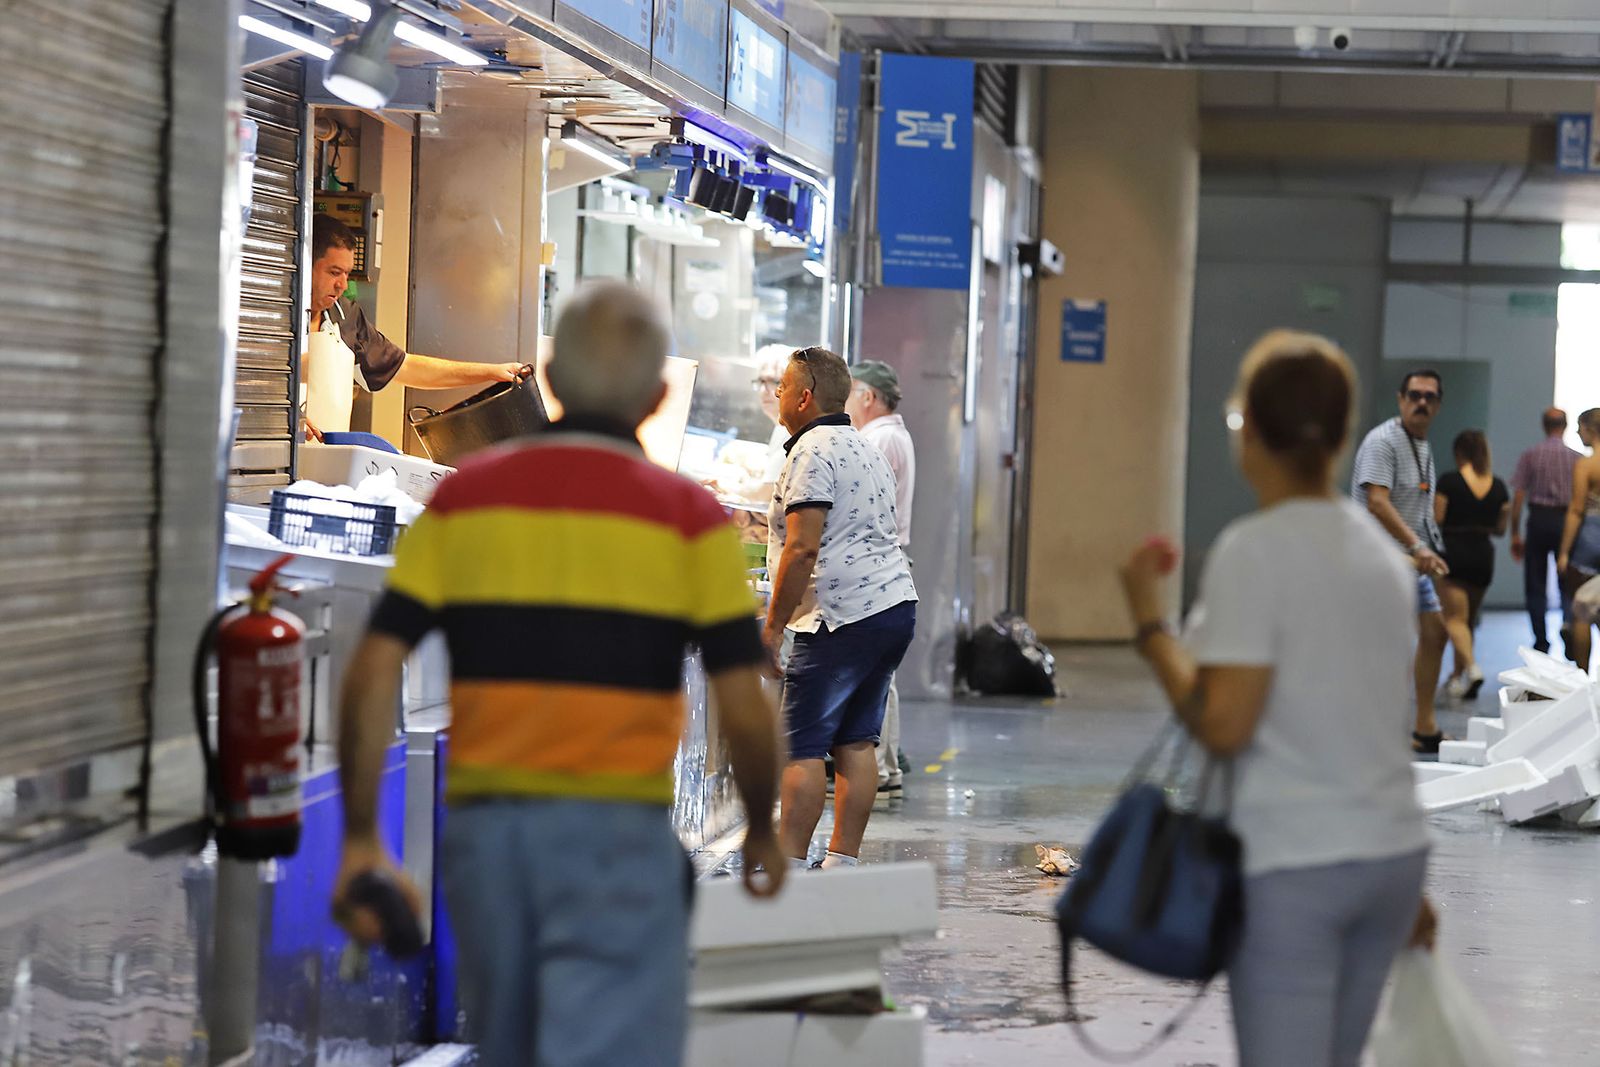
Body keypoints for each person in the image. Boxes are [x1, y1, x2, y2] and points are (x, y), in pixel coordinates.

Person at [331, 281, 786, 1066]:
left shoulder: (464, 499)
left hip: (489, 838)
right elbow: (743, 702)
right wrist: (763, 830)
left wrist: (365, 836)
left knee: (511, 1042)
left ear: (551, 383)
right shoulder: (687, 519)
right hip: (618, 837)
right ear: (654, 395)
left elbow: (373, 672)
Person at [1119, 330, 1434, 1067]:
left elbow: (1222, 722)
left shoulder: (1254, 551)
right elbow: (1380, 722)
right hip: (1389, 856)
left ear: (1249, 428)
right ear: (1342, 433)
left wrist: (1146, 622)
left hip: (1297, 864)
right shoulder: (1382, 561)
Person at [766, 346, 918, 869]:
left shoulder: (811, 451)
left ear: (804, 397)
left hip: (840, 616)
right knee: (857, 738)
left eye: (783, 388)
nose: (778, 396)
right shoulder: (863, 446)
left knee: (801, 743)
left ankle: (786, 864)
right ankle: (842, 861)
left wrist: (771, 628)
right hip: (892, 606)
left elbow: (803, 547)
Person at [305, 214, 522, 437]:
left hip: (326, 457)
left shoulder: (346, 316)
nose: (342, 285)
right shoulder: (275, 314)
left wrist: (491, 372)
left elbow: (406, 367)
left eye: (346, 274)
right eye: (333, 272)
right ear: (306, 264)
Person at [1351, 369, 1451, 754]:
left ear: (1438, 404)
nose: (1421, 402)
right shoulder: (1383, 442)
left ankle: (1424, 728)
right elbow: (1377, 501)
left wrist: (1427, 548)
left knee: (1435, 632)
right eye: (1414, 395)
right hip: (1377, 558)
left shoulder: (1420, 444)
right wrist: (1417, 546)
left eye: (1429, 397)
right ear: (1400, 399)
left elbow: (1419, 505)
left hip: (1408, 559)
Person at [846, 360, 916, 805]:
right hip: (886, 563)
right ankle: (885, 765)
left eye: (851, 393)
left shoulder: (881, 439)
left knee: (877, 677)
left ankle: (884, 767)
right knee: (880, 677)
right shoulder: (893, 435)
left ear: (868, 396)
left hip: (878, 565)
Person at [1435, 429, 1509, 703]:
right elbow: (1501, 528)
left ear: (1458, 453)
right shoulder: (1499, 486)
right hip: (1483, 556)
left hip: (1454, 552)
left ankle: (1473, 668)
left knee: (1453, 619)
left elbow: (1437, 518)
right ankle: (1457, 676)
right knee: (1466, 623)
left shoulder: (1449, 482)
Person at [1509, 408, 1583, 656]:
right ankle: (1568, 623)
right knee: (1567, 581)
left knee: (1536, 582)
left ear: (1543, 425)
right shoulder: (1576, 459)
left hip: (1539, 518)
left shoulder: (1531, 455)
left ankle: (1541, 640)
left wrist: (1515, 533)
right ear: (1565, 425)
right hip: (1567, 519)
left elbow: (1518, 497)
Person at [1557, 408, 1600, 671]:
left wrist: (1563, 551)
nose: (1576, 433)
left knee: (1582, 610)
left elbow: (1576, 509)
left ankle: (1582, 677)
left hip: (1590, 538)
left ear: (1591, 430)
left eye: (1579, 428)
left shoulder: (1586, 465)